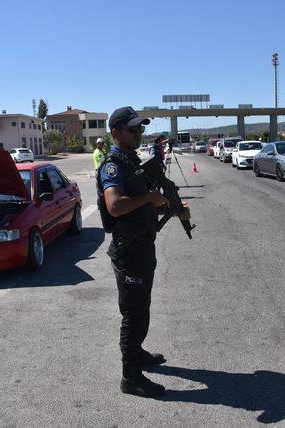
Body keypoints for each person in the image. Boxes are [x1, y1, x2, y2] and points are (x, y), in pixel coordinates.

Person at [97, 106, 190, 398]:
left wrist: (170, 207)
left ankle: (137, 352)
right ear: (116, 133)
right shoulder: (113, 165)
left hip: (142, 245)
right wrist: (149, 196)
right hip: (129, 250)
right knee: (133, 314)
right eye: (132, 130)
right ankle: (131, 377)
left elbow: (144, 203)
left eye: (140, 129)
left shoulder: (132, 161)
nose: (139, 134)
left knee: (142, 307)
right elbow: (115, 205)